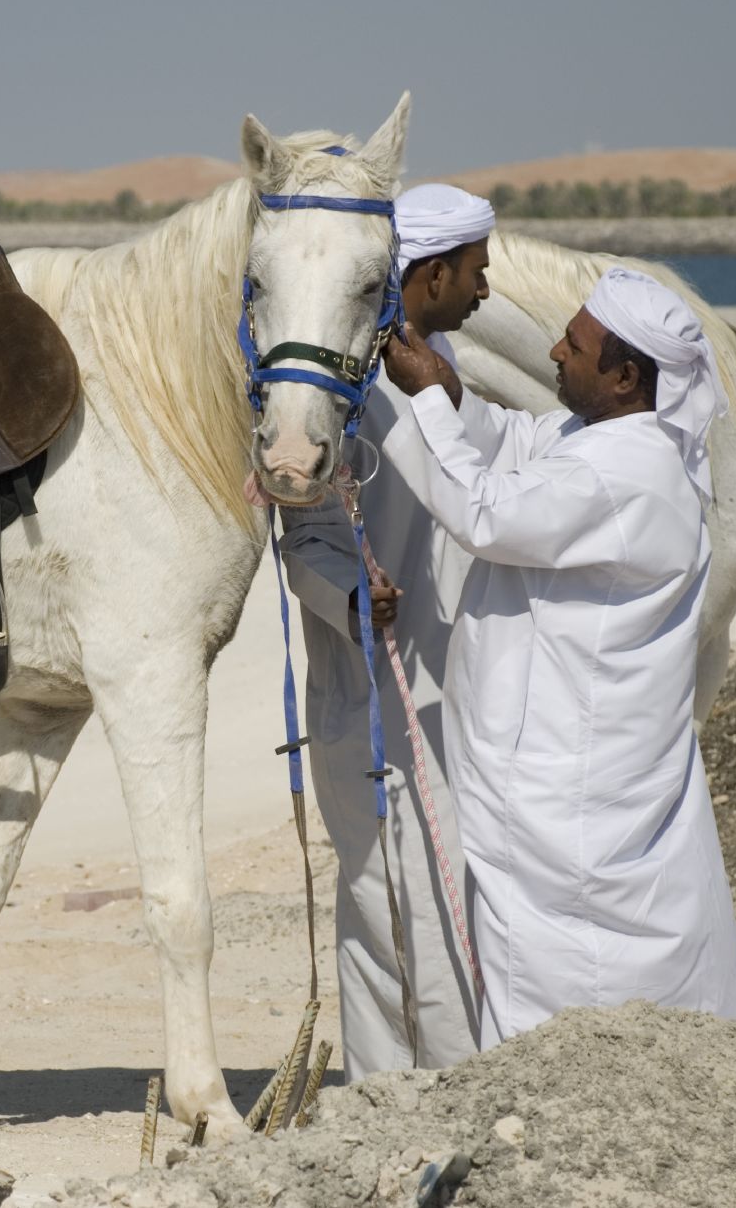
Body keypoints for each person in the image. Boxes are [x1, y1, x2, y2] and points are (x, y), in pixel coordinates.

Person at [378, 264, 736, 1046]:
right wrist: (449, 395)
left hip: (574, 796)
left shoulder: (627, 477)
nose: (553, 350)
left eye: (574, 346)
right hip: (571, 778)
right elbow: (517, 442)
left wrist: (418, 402)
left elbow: (482, 512)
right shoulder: (605, 438)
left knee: (574, 982)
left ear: (623, 376)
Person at [275, 183, 495, 1077]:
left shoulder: (439, 371)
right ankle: (396, 1100)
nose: (485, 290)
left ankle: (458, 1085)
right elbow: (301, 543)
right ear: (429, 273)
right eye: (475, 272)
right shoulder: (339, 393)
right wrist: (354, 597)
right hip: (367, 698)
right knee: (382, 909)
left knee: (452, 905)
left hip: (457, 698)